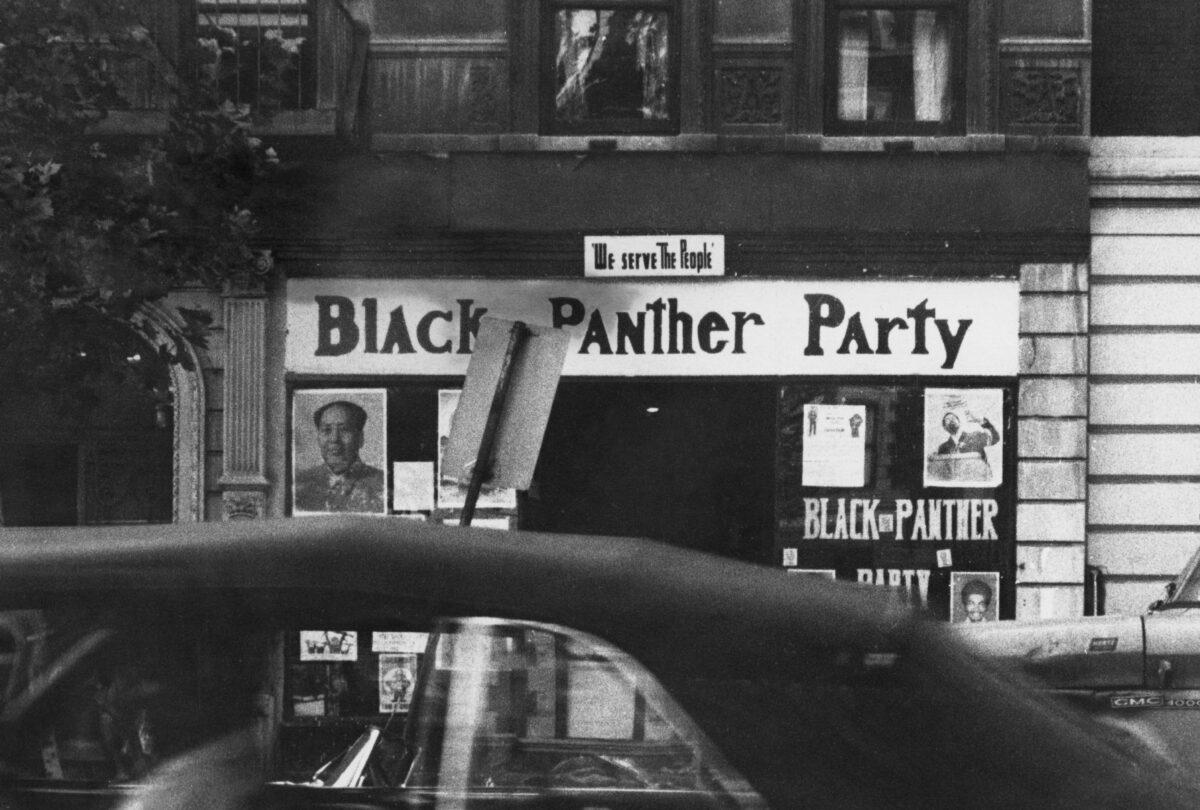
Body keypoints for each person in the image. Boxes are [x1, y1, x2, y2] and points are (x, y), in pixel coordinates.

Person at [294, 400, 385, 513]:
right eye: (326, 430)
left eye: (344, 430)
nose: (334, 439)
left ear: (360, 438)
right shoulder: (299, 484)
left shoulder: (383, 485)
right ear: (318, 438)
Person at [935, 411, 999, 459]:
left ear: (959, 422)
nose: (951, 420)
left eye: (953, 418)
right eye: (947, 420)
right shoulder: (943, 448)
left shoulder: (975, 436)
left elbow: (995, 438)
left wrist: (980, 420)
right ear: (944, 427)